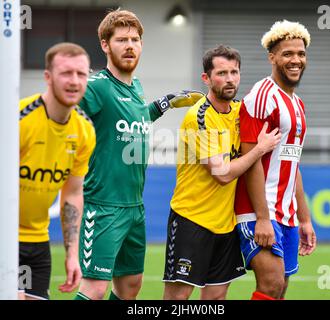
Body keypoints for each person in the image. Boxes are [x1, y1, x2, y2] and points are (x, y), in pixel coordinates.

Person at [74, 9, 203, 300]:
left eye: (135, 39)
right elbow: (65, 114)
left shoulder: (136, 88)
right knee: (94, 288)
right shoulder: (96, 87)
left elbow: (134, 118)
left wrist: (163, 105)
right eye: (121, 40)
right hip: (103, 206)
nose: (129, 45)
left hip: (134, 208)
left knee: (131, 285)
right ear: (106, 45)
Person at [162, 45, 281, 300]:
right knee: (178, 297)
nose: (229, 79)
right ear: (206, 78)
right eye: (222, 73)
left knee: (216, 297)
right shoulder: (198, 118)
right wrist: (259, 149)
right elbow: (223, 174)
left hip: (225, 224)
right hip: (191, 219)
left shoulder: (241, 111)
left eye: (234, 72)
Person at [234, 20, 317, 300]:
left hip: (288, 214)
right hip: (258, 211)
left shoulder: (298, 104)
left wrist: (304, 219)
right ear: (272, 57)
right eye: (287, 54)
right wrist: (262, 218)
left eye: (301, 54)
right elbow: (251, 158)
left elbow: (292, 164)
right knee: (270, 285)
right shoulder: (261, 97)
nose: (296, 60)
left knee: (279, 289)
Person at [19, 42, 96, 300]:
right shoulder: (17, 120)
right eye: (66, 73)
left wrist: (72, 255)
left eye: (81, 74)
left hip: (37, 242)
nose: (74, 81)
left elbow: (72, 193)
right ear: (48, 77)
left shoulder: (85, 131)